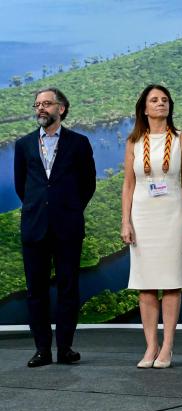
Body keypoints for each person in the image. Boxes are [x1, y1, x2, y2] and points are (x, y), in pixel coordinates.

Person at [121, 84, 182, 369]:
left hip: (173, 214)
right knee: (145, 285)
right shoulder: (133, 141)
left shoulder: (181, 139)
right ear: (144, 108)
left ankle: (167, 347)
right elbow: (128, 185)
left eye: (165, 100)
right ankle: (150, 347)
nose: (160, 104)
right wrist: (125, 221)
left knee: (170, 283)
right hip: (143, 216)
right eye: (154, 100)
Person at [14, 87, 96, 367]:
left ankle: (64, 348)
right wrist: (42, 207)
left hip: (67, 227)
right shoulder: (23, 145)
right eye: (37, 104)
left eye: (47, 104)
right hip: (35, 226)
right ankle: (41, 350)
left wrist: (68, 208)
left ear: (61, 108)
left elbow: (88, 184)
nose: (40, 108)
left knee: (68, 288)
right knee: (35, 291)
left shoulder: (79, 143)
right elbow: (21, 186)